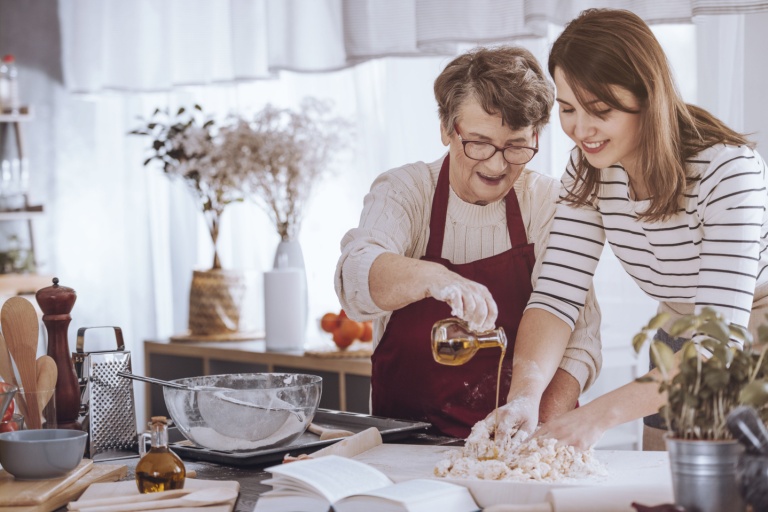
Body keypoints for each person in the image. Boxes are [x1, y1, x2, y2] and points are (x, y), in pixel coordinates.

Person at [491, 8, 768, 451]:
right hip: (681, 333)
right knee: (661, 487)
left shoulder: (728, 170)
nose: (581, 130)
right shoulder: (590, 170)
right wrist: (525, 395)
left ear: (648, 96)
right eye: (567, 109)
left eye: (600, 109)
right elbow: (556, 296)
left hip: (752, 335)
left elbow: (721, 342)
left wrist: (596, 416)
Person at [334, 46, 602, 438]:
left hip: (523, 447)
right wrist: (433, 277)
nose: (496, 165)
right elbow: (354, 280)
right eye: (478, 142)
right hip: (409, 449)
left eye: (515, 146)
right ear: (446, 128)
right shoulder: (406, 191)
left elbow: (580, 339)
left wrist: (533, 431)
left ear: (536, 136)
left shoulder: (549, 202)